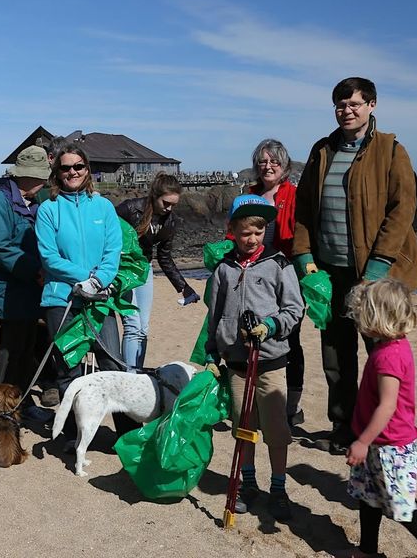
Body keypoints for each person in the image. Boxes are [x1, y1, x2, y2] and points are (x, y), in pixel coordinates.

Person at [292, 77, 417, 455]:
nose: (346, 111)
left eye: (354, 104)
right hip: (328, 272)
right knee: (335, 353)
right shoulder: (322, 151)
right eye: (340, 104)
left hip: (374, 276)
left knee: (382, 353)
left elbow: (403, 211)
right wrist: (304, 257)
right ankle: (343, 425)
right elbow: (304, 211)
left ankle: (388, 428)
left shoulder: (391, 150)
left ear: (372, 105)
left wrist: (380, 265)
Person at [204, 194, 303, 521]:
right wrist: (210, 352)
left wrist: (272, 325)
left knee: (276, 430)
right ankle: (248, 483)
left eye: (258, 232)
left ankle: (278, 487)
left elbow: (294, 308)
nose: (252, 239)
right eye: (246, 232)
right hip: (235, 363)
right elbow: (214, 315)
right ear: (232, 230)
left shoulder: (279, 264)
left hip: (271, 361)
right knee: (242, 427)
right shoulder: (223, 270)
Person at [344, 279, 417, 557]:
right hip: (377, 445)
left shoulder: (388, 357)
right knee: (369, 498)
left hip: (391, 447)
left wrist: (362, 441)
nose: (358, 322)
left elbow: (387, 406)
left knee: (403, 510)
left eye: (362, 316)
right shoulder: (388, 347)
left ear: (378, 318)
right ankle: (368, 549)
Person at [36, 145, 125, 409]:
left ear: (87, 169)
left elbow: (113, 250)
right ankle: (72, 435)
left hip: (99, 298)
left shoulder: (104, 207)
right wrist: (85, 277)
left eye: (78, 166)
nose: (72, 172)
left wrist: (98, 282)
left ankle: (126, 434)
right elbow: (49, 257)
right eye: (65, 167)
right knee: (68, 369)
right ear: (57, 172)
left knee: (113, 365)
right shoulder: (48, 209)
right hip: (61, 299)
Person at [0, 146, 50, 404]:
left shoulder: (34, 202)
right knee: (10, 349)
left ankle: (20, 401)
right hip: (10, 290)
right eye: (41, 175)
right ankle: (0, 404)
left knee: (26, 347)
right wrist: (35, 270)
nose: (45, 180)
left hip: (32, 289)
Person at [247, 139, 306, 425]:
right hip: (254, 278)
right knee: (253, 338)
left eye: (274, 161)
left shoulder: (294, 195)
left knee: (289, 339)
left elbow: (302, 236)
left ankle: (291, 407)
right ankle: (255, 401)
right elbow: (235, 233)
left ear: (284, 166)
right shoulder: (249, 195)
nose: (268, 166)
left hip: (287, 276)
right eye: (263, 161)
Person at [115, 172, 198, 371]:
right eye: (166, 203)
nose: (169, 208)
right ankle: (130, 375)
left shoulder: (170, 221)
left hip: (144, 270)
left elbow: (165, 258)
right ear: (154, 195)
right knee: (133, 325)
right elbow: (104, 232)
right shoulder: (129, 209)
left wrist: (183, 287)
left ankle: (138, 371)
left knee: (143, 328)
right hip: (122, 269)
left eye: (174, 205)